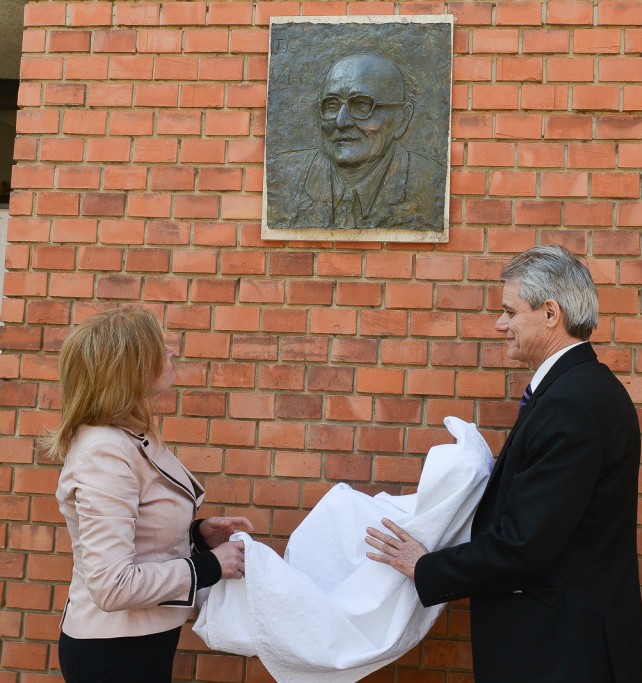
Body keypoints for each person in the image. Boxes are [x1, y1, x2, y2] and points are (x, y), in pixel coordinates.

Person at [366, 245, 642, 682]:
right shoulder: (576, 390)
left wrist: (426, 567)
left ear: (550, 313)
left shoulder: (572, 403)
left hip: (561, 654)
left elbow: (525, 545)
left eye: (510, 312)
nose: (500, 324)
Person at [45, 306, 253, 683]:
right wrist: (210, 566)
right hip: (114, 654)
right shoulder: (105, 452)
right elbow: (112, 585)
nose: (172, 351)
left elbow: (138, 531)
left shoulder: (129, 436)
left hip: (140, 643)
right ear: (131, 368)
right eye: (159, 346)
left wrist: (197, 535)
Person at [265, 53, 446, 232]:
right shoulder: (280, 177)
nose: (341, 122)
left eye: (361, 105)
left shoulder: (433, 184)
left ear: (402, 119)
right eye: (332, 106)